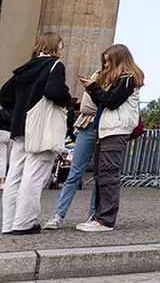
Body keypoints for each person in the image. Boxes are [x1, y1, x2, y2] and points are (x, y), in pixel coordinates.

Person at [1, 32, 71, 235]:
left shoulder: (25, 67)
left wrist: (20, 109)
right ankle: (24, 222)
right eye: (61, 46)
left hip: (20, 128)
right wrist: (65, 98)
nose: (61, 49)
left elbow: (4, 95)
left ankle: (8, 223)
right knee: (34, 175)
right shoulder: (55, 66)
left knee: (14, 176)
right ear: (55, 46)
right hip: (41, 129)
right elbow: (54, 91)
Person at [73, 44, 143, 232]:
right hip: (106, 129)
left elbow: (111, 102)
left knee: (108, 174)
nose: (105, 66)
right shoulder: (120, 80)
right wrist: (93, 89)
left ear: (118, 60)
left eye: (108, 62)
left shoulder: (127, 79)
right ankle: (99, 216)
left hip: (116, 129)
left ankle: (105, 219)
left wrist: (94, 88)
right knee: (101, 174)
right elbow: (104, 101)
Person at [45, 90, 100, 228]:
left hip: (104, 127)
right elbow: (86, 107)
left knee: (100, 176)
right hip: (88, 125)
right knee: (74, 173)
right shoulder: (94, 80)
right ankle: (58, 214)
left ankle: (93, 214)